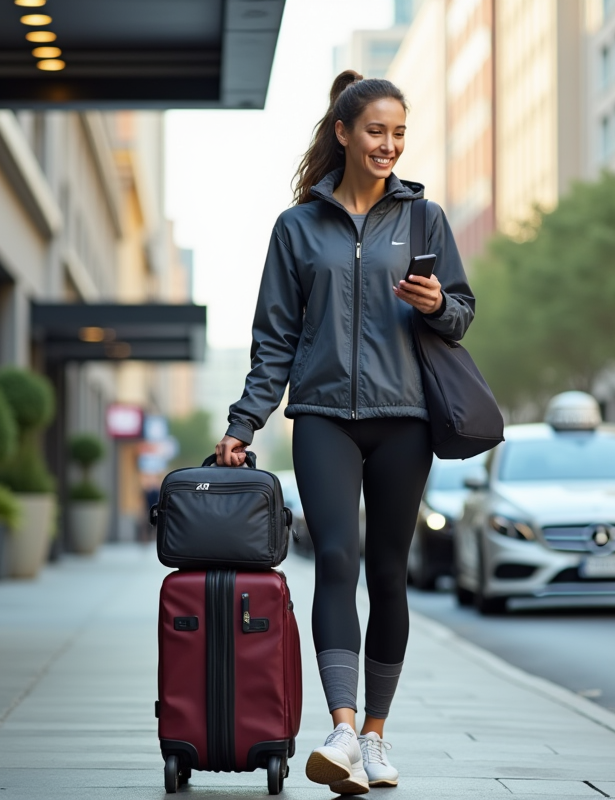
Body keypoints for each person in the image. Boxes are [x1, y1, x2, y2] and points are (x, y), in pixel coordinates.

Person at [214, 70, 475, 795]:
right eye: (375, 131)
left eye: (399, 133)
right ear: (343, 133)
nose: (389, 145)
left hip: (404, 419)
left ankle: (376, 735)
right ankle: (340, 728)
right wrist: (244, 423)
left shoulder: (424, 219)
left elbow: (461, 314)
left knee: (388, 571)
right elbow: (275, 338)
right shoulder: (297, 227)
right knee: (335, 559)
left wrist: (436, 303)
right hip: (324, 416)